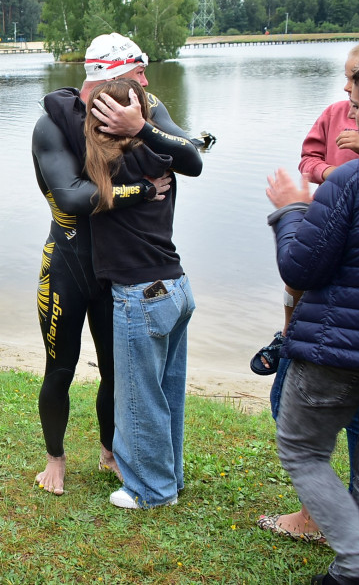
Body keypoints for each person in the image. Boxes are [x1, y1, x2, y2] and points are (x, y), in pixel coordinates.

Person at [31, 32, 197, 495]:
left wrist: (141, 128)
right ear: (111, 73)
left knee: (115, 371)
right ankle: (55, 458)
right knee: (60, 368)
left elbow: (190, 156)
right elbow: (73, 196)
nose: (147, 80)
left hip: (116, 269)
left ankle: (110, 450)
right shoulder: (52, 123)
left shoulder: (144, 107)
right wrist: (142, 191)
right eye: (138, 72)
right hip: (66, 262)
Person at [253, 36, 359, 543]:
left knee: (299, 443)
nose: (349, 99)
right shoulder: (337, 131)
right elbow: (310, 157)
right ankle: (356, 562)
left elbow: (300, 267)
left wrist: (290, 211)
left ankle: (347, 553)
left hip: (342, 341)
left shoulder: (358, 179)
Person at [83, 78, 202, 509]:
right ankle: (170, 479)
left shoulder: (106, 166)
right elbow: (193, 152)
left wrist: (102, 110)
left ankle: (151, 490)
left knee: (139, 396)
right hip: (176, 286)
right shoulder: (158, 155)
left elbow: (58, 111)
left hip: (141, 294)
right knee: (166, 392)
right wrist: (141, 124)